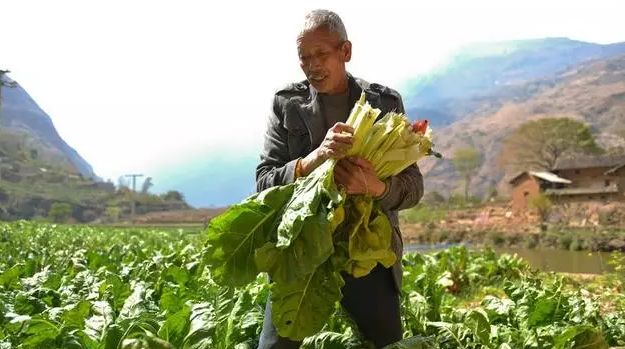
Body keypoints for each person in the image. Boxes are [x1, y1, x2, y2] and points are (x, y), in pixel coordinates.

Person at [255, 9, 424, 349]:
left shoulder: (384, 103)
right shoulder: (286, 104)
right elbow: (264, 182)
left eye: (322, 54)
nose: (313, 65)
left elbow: (413, 188)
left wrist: (374, 187)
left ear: (345, 51)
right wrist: (317, 157)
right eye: (304, 57)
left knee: (385, 344)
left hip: (366, 250)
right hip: (301, 248)